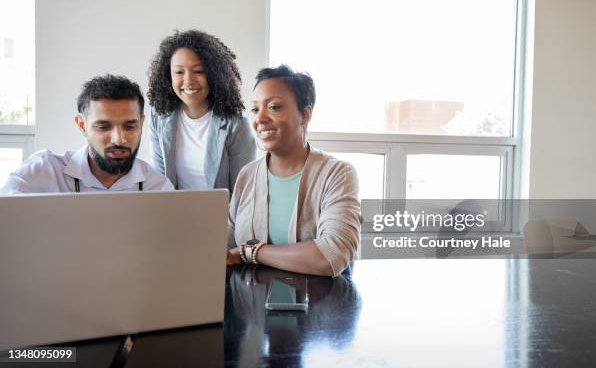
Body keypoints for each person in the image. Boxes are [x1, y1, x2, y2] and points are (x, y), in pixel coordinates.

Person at [227, 65, 361, 277]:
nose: (259, 119)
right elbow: (225, 250)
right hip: (252, 306)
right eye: (255, 109)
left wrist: (252, 252)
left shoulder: (337, 174)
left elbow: (332, 255)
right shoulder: (247, 175)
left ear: (305, 115)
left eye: (274, 107)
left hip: (321, 306)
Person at [1, 75, 174, 194]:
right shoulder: (43, 172)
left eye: (130, 126)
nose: (119, 139)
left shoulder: (159, 188)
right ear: (82, 125)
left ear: (142, 123)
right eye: (103, 127)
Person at [147, 30, 256, 193]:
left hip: (221, 216)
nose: (188, 80)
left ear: (214, 74)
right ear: (168, 76)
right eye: (179, 72)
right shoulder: (159, 116)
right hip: (172, 213)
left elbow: (243, 192)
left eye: (198, 71)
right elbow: (159, 184)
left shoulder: (237, 124)